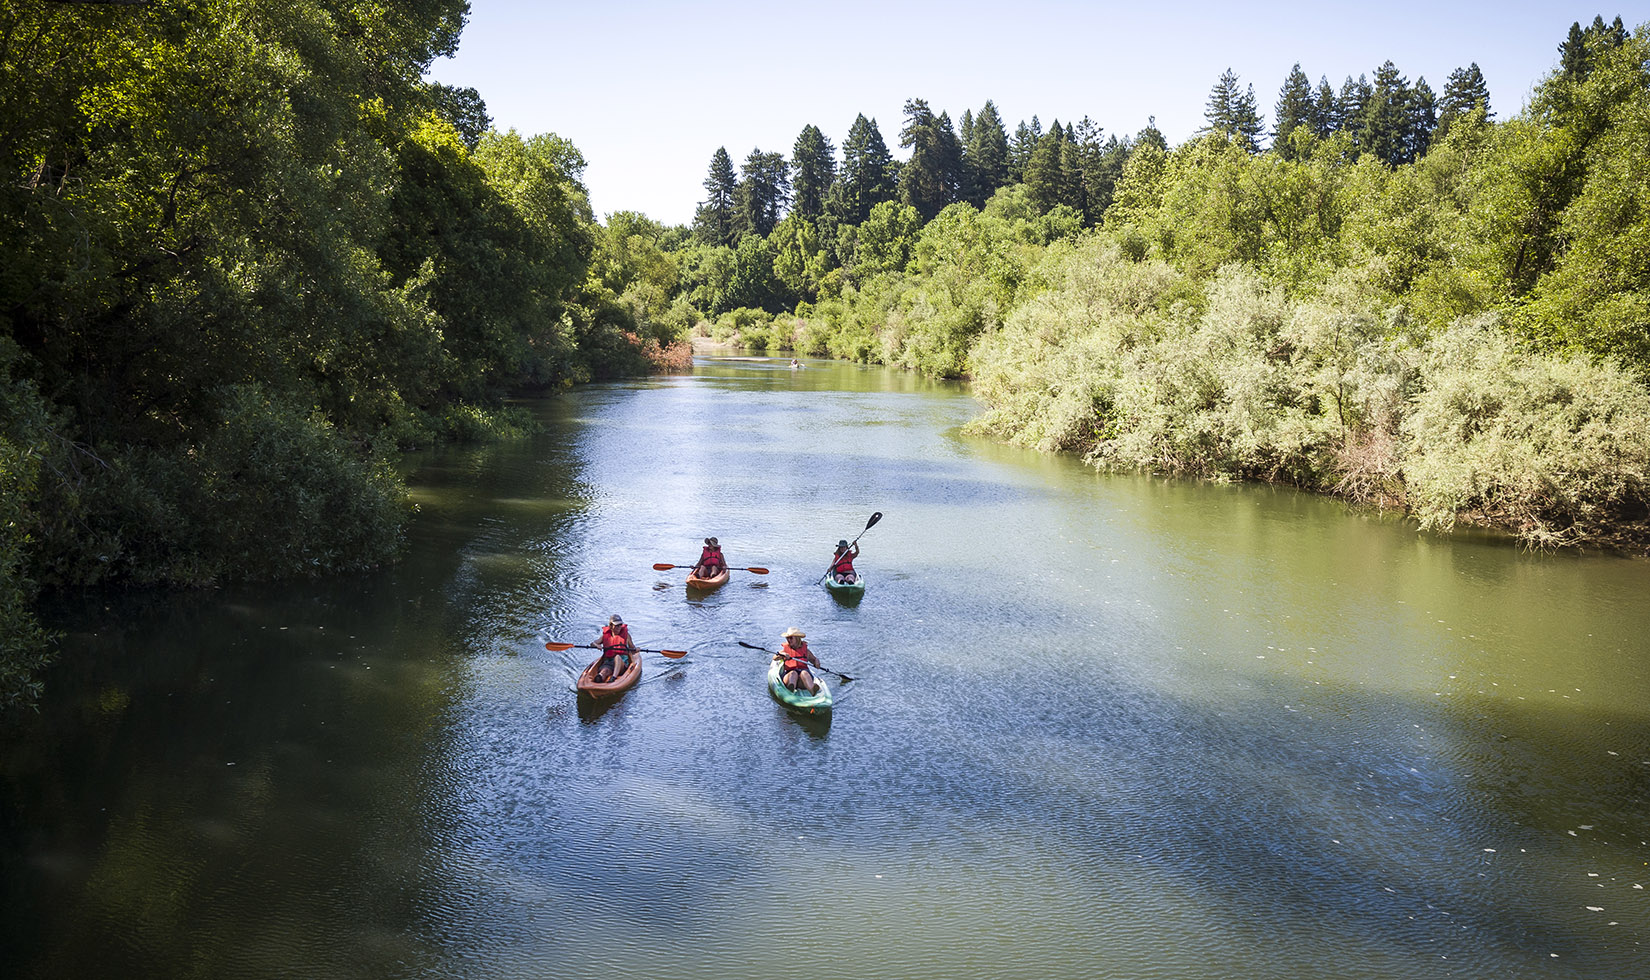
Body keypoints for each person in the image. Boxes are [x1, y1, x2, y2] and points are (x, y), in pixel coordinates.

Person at [776, 627, 819, 694]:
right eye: (787, 638)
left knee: (804, 673)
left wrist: (816, 661)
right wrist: (782, 654)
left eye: (791, 638)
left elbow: (813, 659)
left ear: (797, 638)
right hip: (789, 677)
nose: (788, 640)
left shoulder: (806, 651)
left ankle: (812, 689)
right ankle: (791, 688)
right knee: (793, 673)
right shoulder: (785, 651)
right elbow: (775, 657)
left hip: (802, 681)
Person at [593, 614, 635, 682]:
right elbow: (593, 643)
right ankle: (600, 677)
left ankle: (613, 677)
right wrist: (596, 645)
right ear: (611, 626)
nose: (619, 627)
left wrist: (636, 649)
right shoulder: (605, 636)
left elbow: (632, 648)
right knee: (604, 671)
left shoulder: (626, 635)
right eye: (616, 625)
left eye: (620, 625)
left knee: (617, 657)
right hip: (609, 662)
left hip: (622, 663)